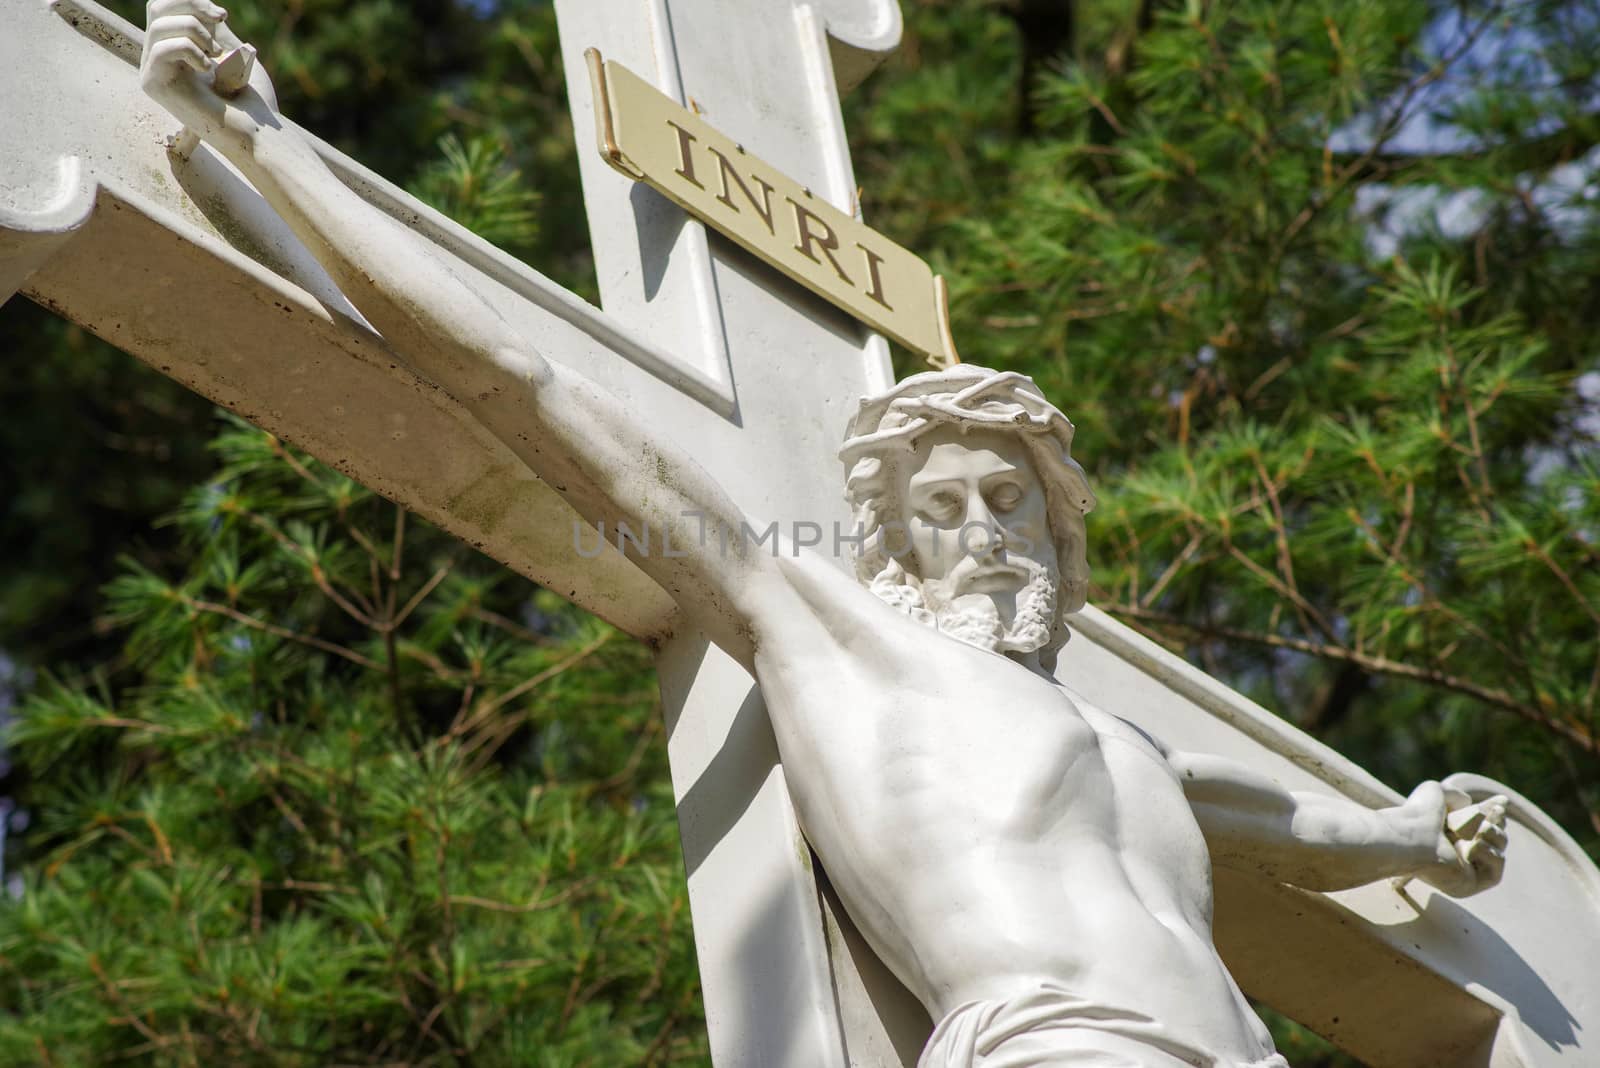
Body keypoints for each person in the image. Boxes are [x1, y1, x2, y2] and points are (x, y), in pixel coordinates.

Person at [140, 7, 1508, 1064]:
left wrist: (1404, 837)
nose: (987, 532)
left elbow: (1284, 819)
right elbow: (524, 386)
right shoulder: (828, 631)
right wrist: (268, 149)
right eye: (946, 506)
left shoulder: (1128, 744)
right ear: (892, 546)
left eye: (1011, 498)